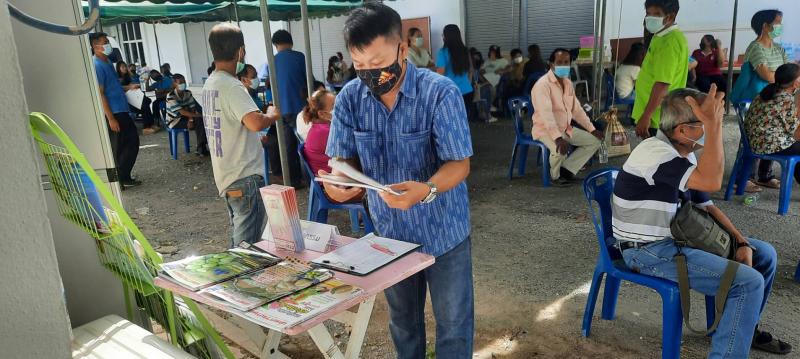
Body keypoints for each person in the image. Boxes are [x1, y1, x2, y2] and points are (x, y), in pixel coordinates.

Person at [324, 4, 474, 358]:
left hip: (443, 232)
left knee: (453, 325)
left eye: (377, 63)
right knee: (404, 323)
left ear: (402, 50)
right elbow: (341, 159)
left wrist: (428, 189)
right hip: (389, 235)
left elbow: (460, 164)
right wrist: (339, 181)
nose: (369, 73)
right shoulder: (349, 99)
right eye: (359, 65)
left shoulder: (440, 93)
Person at [613, 85, 792, 357]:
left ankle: (740, 327)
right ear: (682, 130)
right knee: (746, 282)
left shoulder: (684, 152)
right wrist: (715, 124)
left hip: (679, 237)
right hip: (647, 250)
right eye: (703, 122)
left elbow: (706, 205)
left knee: (764, 255)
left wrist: (741, 241)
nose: (710, 127)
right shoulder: (655, 153)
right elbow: (712, 180)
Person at [202, 23, 279, 247]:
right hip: (244, 176)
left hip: (227, 174)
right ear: (241, 51)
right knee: (247, 248)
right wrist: (271, 115)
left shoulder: (210, 83)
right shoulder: (231, 86)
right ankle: (237, 281)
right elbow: (255, 122)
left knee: (240, 238)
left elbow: (230, 124)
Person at [531, 48, 603, 186]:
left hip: (565, 127)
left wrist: (592, 129)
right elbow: (547, 115)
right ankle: (555, 177)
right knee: (559, 150)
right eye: (559, 62)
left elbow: (577, 110)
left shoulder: (568, 83)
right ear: (551, 64)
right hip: (545, 129)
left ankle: (567, 171)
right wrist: (558, 138)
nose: (563, 65)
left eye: (566, 62)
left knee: (594, 141)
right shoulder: (542, 85)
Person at [89, 32, 141, 188]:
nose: (108, 45)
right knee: (127, 144)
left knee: (127, 144)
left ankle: (123, 177)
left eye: (107, 42)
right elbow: (100, 93)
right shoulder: (97, 65)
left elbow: (114, 87)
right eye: (104, 42)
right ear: (95, 46)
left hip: (122, 109)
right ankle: (120, 179)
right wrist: (110, 118)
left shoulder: (108, 63)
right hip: (115, 112)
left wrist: (128, 87)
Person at [632, 0, 688, 138]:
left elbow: (662, 84)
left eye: (656, 14)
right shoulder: (661, 35)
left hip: (656, 118)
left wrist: (646, 116)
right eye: (648, 13)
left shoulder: (669, 43)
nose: (650, 18)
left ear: (670, 17)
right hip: (656, 114)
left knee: (656, 156)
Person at [745, 63, 800, 187]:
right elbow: (795, 132)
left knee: (780, 135)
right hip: (768, 144)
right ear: (794, 82)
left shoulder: (767, 91)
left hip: (756, 141)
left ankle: (765, 176)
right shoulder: (787, 100)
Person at [271, 29, 306, 187]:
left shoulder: (273, 60)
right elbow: (308, 81)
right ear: (291, 42)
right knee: (306, 143)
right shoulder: (300, 57)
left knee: (288, 146)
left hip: (281, 109)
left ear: (276, 44)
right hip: (300, 108)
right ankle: (311, 177)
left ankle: (293, 181)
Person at [436, 24, 476, 122]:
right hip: (467, 91)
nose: (442, 36)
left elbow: (440, 73)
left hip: (450, 93)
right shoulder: (465, 50)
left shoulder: (442, 52)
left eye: (443, 34)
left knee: (452, 122)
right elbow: (471, 70)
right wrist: (467, 83)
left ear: (446, 36)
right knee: (464, 121)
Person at [166, 74, 210, 156]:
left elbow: (192, 108)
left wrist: (191, 119)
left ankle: (201, 147)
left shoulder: (188, 93)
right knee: (200, 120)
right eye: (180, 82)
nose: (183, 84)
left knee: (200, 120)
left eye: (184, 81)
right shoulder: (170, 96)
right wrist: (197, 116)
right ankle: (201, 147)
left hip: (186, 117)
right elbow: (182, 112)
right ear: (174, 84)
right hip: (175, 121)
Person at [117, 61, 157, 133]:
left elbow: (133, 85)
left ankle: (150, 124)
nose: (125, 68)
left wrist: (136, 85)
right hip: (126, 101)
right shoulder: (117, 78)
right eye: (122, 67)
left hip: (134, 98)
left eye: (125, 66)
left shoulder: (128, 77)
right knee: (145, 105)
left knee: (146, 103)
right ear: (118, 68)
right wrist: (130, 87)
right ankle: (146, 127)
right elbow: (119, 87)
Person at [481, 45, 508, 111]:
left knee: (492, 88)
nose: (492, 53)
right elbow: (481, 69)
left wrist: (502, 71)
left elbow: (509, 68)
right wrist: (483, 73)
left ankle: (489, 105)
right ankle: (485, 107)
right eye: (491, 52)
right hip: (485, 78)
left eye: (494, 52)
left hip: (495, 81)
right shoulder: (487, 61)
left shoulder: (503, 61)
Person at [145, 69, 172, 133]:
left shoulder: (167, 79)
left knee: (159, 103)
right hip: (161, 98)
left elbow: (172, 87)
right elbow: (147, 89)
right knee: (154, 104)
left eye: (155, 75)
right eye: (153, 77)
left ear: (158, 73)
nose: (154, 77)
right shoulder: (156, 84)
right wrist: (147, 79)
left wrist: (163, 90)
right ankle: (157, 121)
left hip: (169, 96)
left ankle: (165, 120)